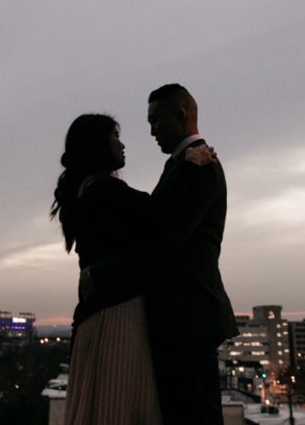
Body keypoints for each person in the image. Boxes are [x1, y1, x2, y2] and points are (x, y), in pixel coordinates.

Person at [84, 83, 238, 425]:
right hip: (183, 316)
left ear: (181, 116)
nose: (151, 131)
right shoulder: (185, 163)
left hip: (188, 315)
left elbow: (166, 242)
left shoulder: (197, 167)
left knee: (194, 415)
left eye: (156, 121)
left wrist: (102, 274)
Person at [51, 113, 215, 424]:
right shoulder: (103, 189)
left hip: (101, 314)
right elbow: (158, 214)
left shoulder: (88, 190)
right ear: (99, 144)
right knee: (119, 405)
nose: (122, 144)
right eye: (115, 136)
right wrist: (188, 164)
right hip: (116, 318)